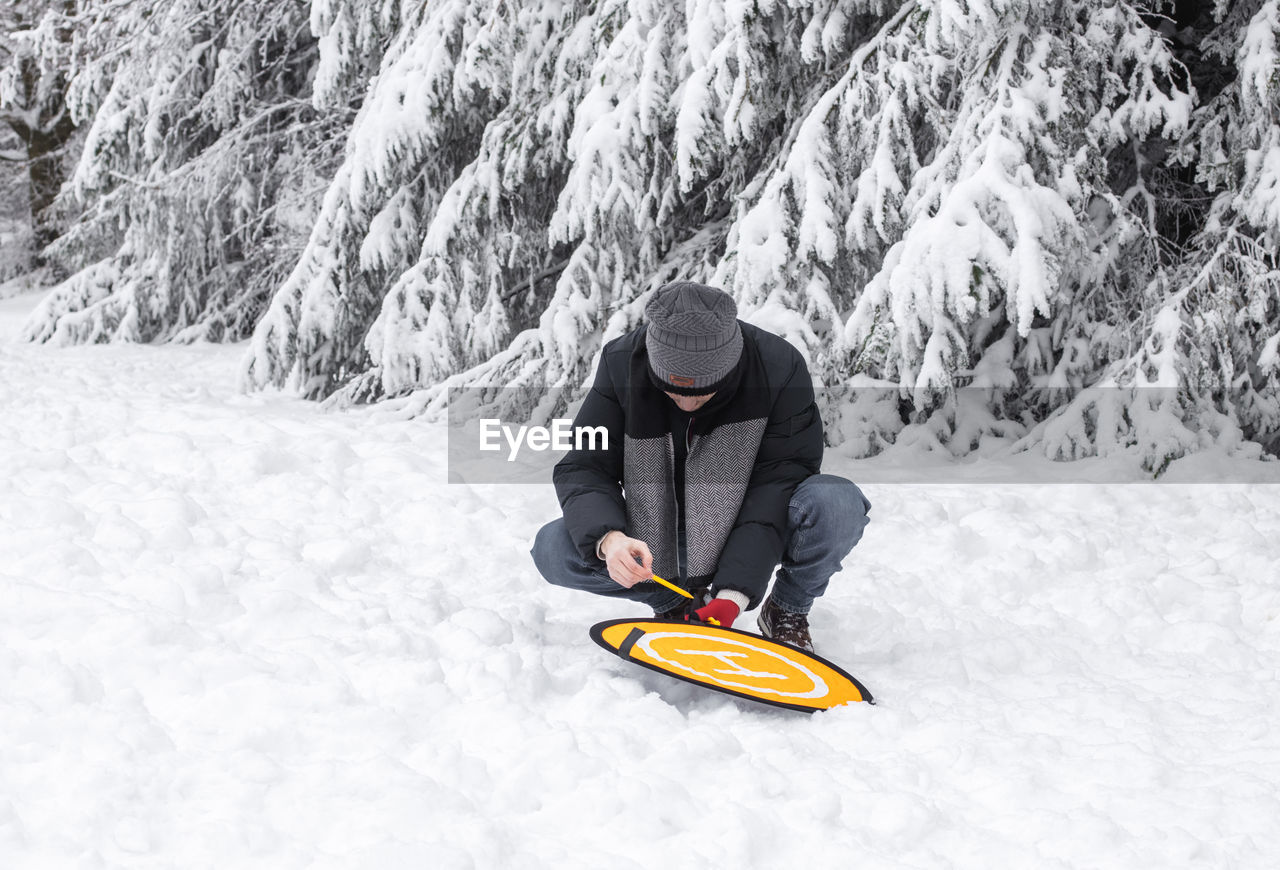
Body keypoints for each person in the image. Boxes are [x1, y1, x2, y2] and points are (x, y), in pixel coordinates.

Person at [530, 281, 870, 653]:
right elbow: (585, 464)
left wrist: (734, 591)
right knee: (554, 548)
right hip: (656, 537)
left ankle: (785, 609)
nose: (686, 404)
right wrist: (610, 540)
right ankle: (671, 604)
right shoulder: (621, 363)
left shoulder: (779, 368)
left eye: (701, 394)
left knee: (835, 502)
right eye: (673, 393)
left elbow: (780, 484)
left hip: (745, 522)